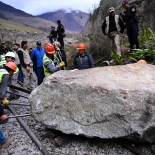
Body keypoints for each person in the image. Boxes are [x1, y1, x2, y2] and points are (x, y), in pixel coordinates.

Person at [0, 62, 16, 149]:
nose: (12, 74)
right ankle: (2, 142)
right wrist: (1, 113)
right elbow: (1, 93)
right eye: (12, 72)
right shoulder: (5, 75)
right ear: (10, 70)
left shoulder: (1, 70)